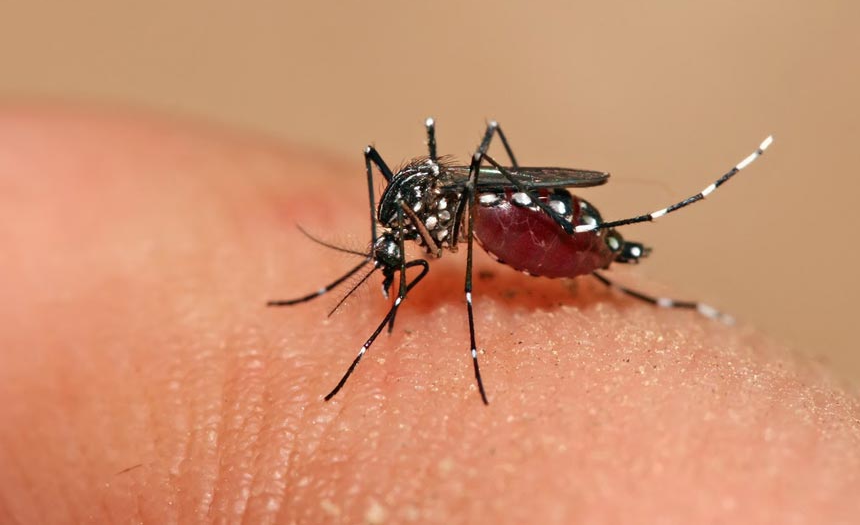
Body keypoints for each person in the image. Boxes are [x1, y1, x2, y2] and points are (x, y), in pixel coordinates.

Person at [2, 106, 858, 523]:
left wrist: (475, 331)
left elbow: (436, 219)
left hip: (501, 210)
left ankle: (592, 257)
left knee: (476, 163)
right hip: (473, 209)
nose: (393, 270)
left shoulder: (424, 221)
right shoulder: (402, 225)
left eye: (389, 263)